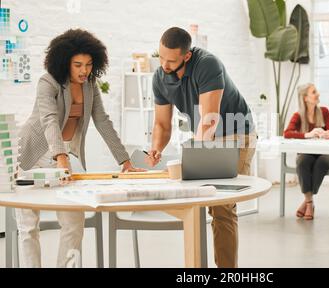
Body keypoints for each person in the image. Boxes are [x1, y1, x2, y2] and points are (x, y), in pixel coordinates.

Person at [16, 29, 143, 267]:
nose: (84, 70)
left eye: (88, 64)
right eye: (78, 65)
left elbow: (103, 121)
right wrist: (60, 157)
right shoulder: (48, 82)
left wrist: (125, 161)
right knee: (28, 225)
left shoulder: (90, 85)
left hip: (65, 155)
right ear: (64, 62)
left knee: (74, 222)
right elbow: (49, 120)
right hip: (33, 154)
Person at [144, 27, 256, 268]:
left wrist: (193, 155)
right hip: (206, 135)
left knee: (222, 206)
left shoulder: (208, 64)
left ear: (187, 56)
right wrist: (156, 148)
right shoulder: (159, 78)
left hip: (236, 133)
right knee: (195, 202)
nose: (164, 64)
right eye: (160, 57)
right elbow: (162, 125)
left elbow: (209, 119)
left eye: (171, 60)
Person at [284, 83, 329, 220]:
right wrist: (308, 134)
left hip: (325, 153)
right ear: (305, 98)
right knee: (302, 161)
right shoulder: (298, 115)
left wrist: (328, 133)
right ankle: (310, 203)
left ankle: (307, 202)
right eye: (314, 92)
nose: (318, 94)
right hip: (308, 153)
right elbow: (287, 133)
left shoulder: (324, 111)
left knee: (322, 162)